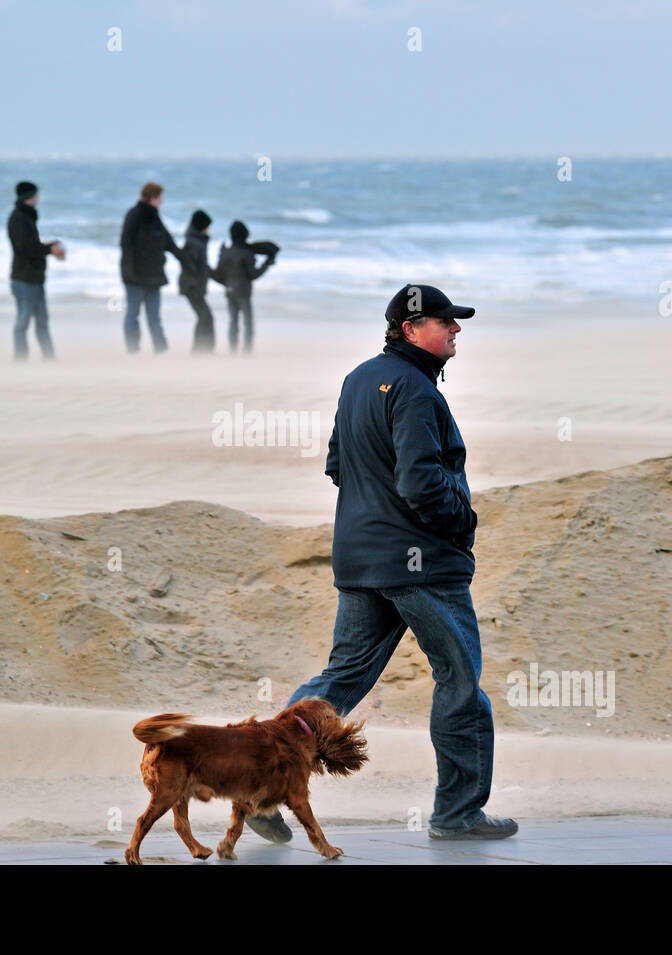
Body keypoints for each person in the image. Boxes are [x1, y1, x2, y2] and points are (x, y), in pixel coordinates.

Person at [246, 283, 518, 845]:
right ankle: (458, 814)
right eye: (446, 322)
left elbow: (337, 465)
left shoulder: (358, 379)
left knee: (339, 680)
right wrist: (462, 520)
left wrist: (376, 518)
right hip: (421, 566)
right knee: (460, 681)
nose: (457, 329)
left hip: (362, 559)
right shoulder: (417, 390)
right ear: (411, 329)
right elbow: (420, 482)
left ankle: (259, 788)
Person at [119, 181, 181, 354]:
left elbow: (168, 242)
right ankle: (133, 351)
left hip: (153, 276)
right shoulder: (134, 215)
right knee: (133, 314)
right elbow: (126, 244)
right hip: (135, 276)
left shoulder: (154, 217)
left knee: (154, 316)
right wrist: (129, 271)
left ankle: (160, 351)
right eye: (160, 198)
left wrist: (185, 258)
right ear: (152, 198)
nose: (161, 201)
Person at [6, 181, 65, 361]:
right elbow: (24, 248)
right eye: (35, 194)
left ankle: (50, 360)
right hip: (23, 280)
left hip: (35, 279)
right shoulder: (18, 218)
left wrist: (50, 247)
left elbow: (32, 246)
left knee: (42, 323)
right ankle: (20, 360)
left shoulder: (27, 216)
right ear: (28, 197)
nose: (38, 197)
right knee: (22, 323)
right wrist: (49, 250)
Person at [210, 220, 274, 353]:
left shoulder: (226, 252)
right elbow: (254, 274)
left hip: (229, 291)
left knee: (233, 322)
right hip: (244, 292)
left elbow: (218, 274)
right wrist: (267, 264)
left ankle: (233, 351)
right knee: (247, 323)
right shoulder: (246, 252)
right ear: (245, 235)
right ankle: (247, 352)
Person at [180, 210, 216, 353]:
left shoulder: (197, 241)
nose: (209, 229)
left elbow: (202, 267)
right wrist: (194, 285)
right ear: (202, 226)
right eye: (207, 226)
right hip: (192, 287)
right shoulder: (193, 243)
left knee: (204, 317)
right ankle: (201, 351)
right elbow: (188, 265)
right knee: (205, 317)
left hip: (195, 286)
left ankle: (201, 350)